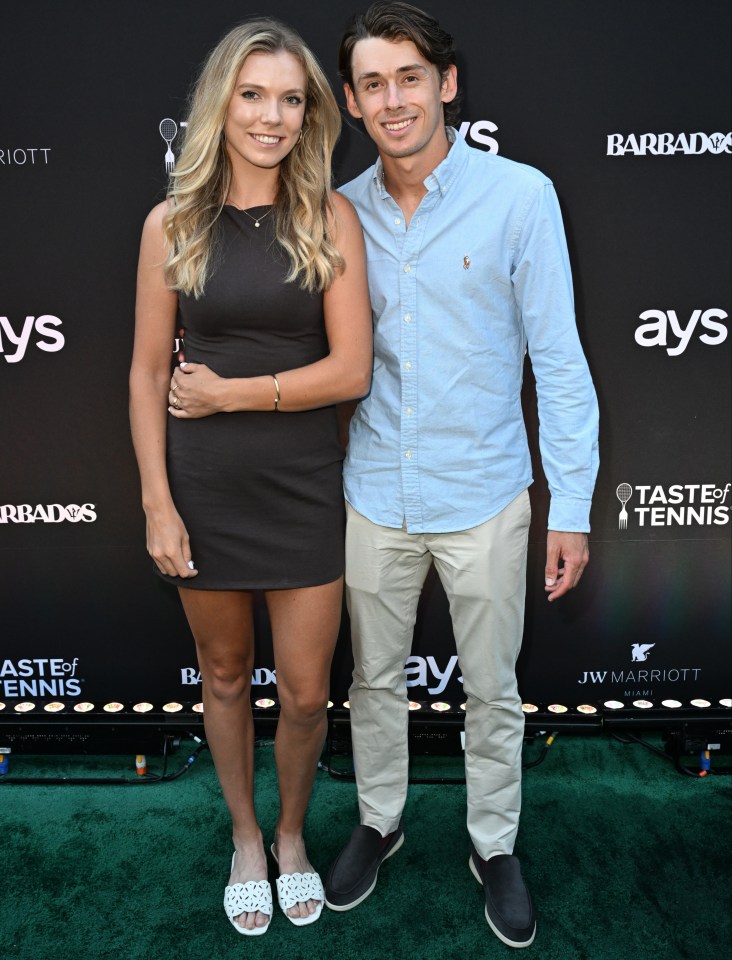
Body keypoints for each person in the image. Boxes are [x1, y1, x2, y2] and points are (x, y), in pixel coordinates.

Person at [324, 1, 599, 949]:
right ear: (353, 104)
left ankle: (494, 843)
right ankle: (380, 820)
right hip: (373, 491)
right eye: (372, 84)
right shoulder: (339, 212)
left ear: (448, 84)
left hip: (486, 492)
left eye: (409, 77)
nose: (392, 100)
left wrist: (572, 506)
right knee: (371, 680)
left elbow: (558, 361)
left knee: (493, 687)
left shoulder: (522, 197)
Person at [129, 19, 372, 936]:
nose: (272, 116)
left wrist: (233, 393)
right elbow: (149, 374)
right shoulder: (172, 224)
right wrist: (158, 502)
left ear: (311, 114)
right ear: (220, 104)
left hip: (305, 483)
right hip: (204, 488)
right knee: (225, 675)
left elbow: (352, 369)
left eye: (292, 98)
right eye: (253, 94)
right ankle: (243, 836)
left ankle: (294, 835)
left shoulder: (329, 216)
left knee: (307, 693)